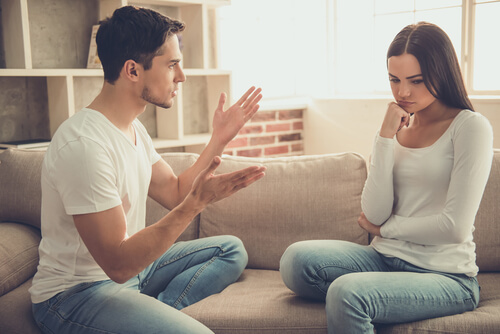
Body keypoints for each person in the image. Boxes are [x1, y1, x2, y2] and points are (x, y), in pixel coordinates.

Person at [29, 6, 266, 334]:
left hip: (132, 273)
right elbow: (119, 264)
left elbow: (175, 191)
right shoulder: (84, 146)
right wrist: (196, 204)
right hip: (75, 294)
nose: (180, 76)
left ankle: (156, 312)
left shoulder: (133, 129)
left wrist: (220, 138)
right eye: (172, 65)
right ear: (132, 70)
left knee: (230, 249)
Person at [279, 22, 493, 333]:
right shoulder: (398, 130)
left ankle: (370, 299)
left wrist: (386, 229)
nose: (403, 92)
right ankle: (385, 295)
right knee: (295, 261)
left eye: (416, 81)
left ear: (441, 72)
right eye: (394, 79)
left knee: (347, 293)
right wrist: (383, 137)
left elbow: (454, 228)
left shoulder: (470, 127)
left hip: (446, 277)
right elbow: (375, 211)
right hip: (384, 258)